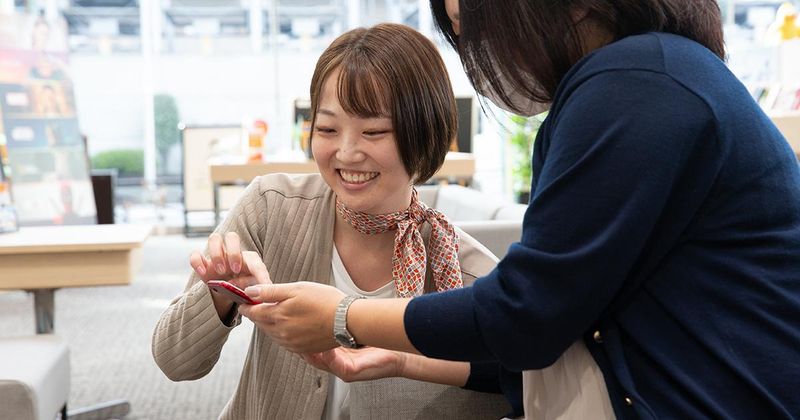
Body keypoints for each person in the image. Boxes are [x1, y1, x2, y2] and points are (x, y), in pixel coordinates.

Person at [239, 1, 800, 419]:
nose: (475, 49)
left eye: (472, 23)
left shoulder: (635, 84)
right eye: (327, 129)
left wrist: (345, 317)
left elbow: (528, 316)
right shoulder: (636, 79)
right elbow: (561, 322)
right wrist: (402, 357)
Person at [152, 23, 514, 419]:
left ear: (425, 132)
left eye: (373, 131)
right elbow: (174, 360)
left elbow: (529, 382)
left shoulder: (463, 272)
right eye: (327, 128)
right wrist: (220, 296)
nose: (346, 152)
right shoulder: (272, 207)